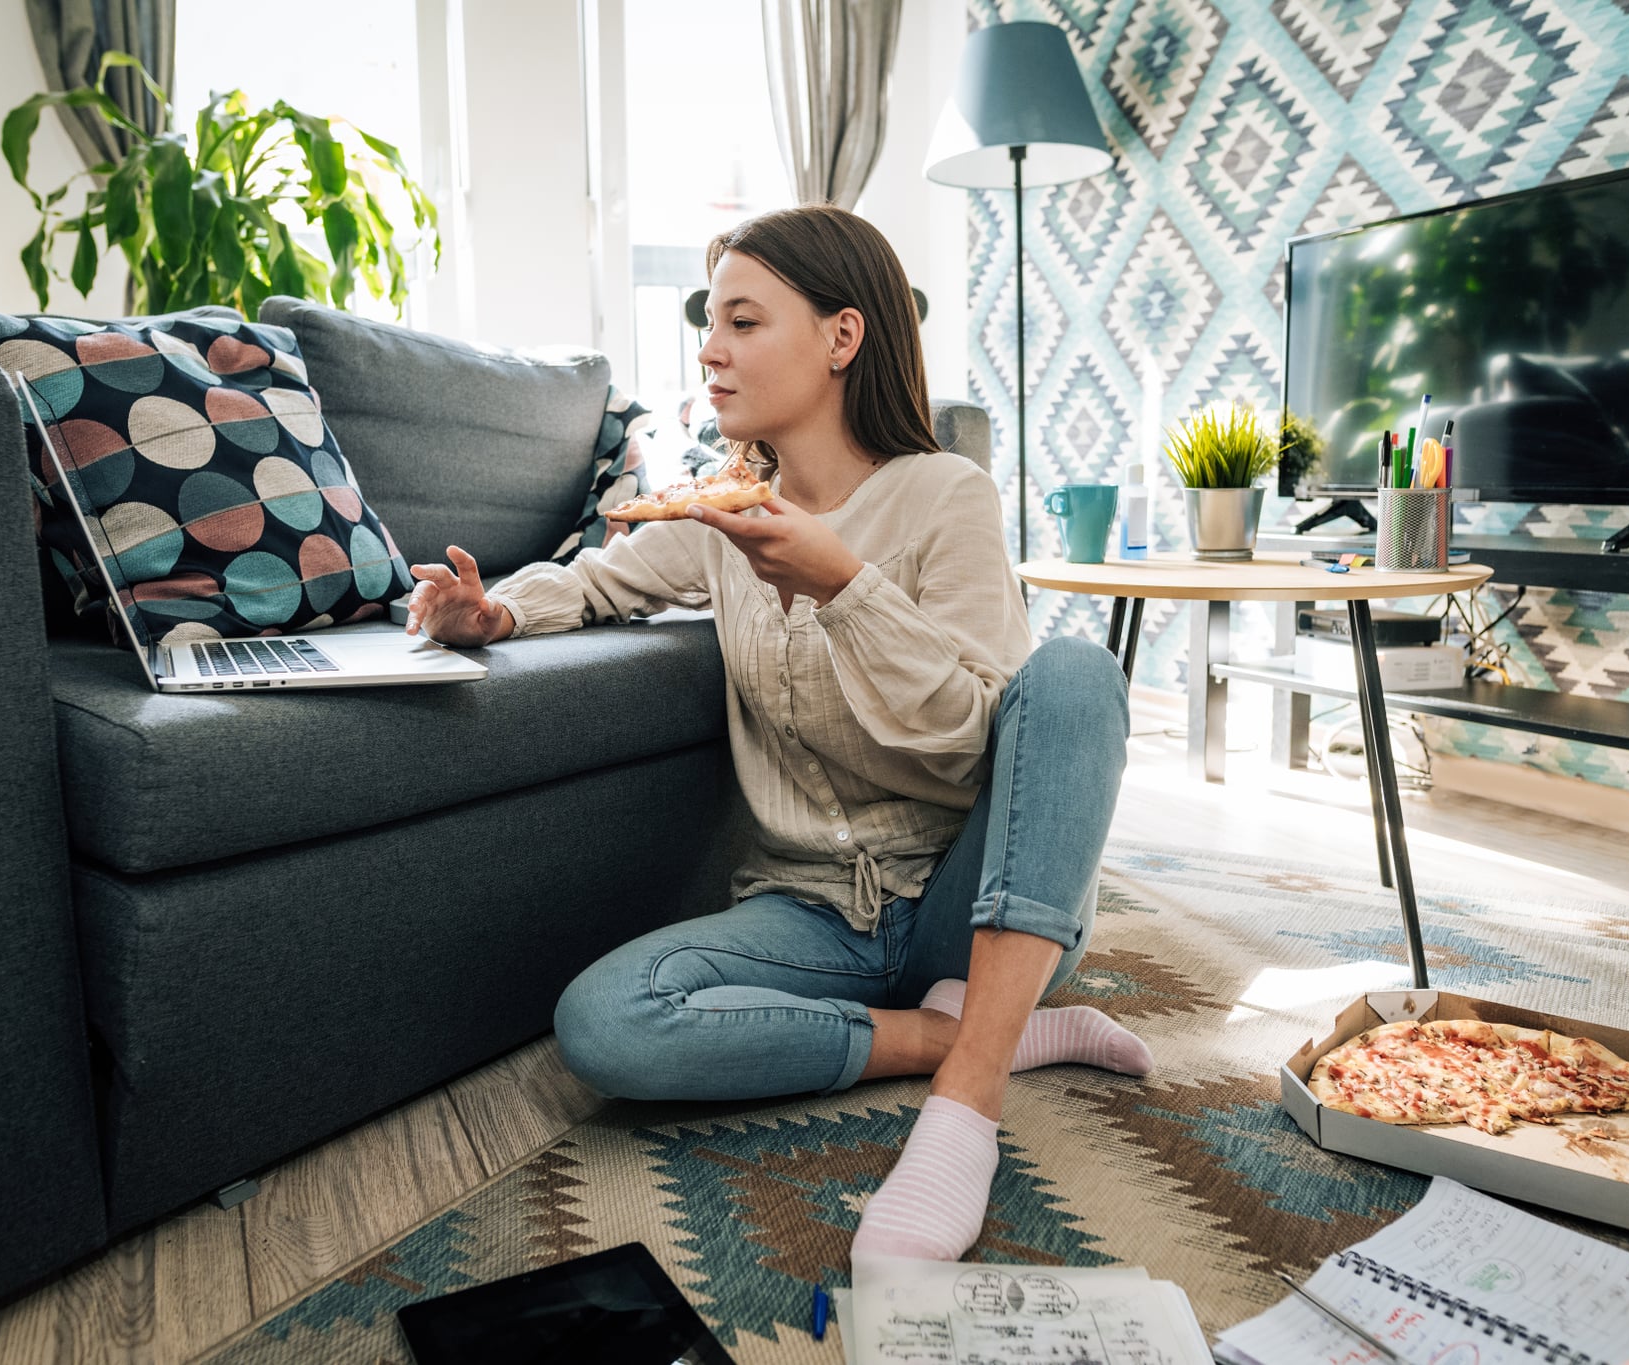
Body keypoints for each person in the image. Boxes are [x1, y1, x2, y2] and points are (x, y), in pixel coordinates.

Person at [402, 204, 1144, 1261]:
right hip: (810, 918)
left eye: (742, 321)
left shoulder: (945, 496)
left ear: (841, 338)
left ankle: (964, 1107)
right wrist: (496, 613)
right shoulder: (721, 514)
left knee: (1075, 672)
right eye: (709, 322)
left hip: (963, 902)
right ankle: (980, 1030)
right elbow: (602, 583)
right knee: (605, 1024)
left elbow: (974, 741)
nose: (709, 348)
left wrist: (845, 587)